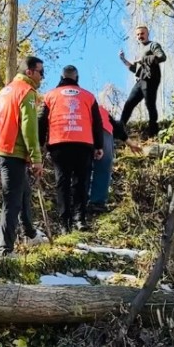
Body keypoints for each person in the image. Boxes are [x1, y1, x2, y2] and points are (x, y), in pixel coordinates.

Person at [0, 56, 47, 258]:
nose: (43, 77)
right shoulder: (27, 92)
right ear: (30, 72)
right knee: (12, 201)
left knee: (23, 194)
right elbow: (29, 128)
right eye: (41, 72)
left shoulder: (5, 91)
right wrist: (36, 158)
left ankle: (30, 234)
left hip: (0, 149)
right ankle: (5, 250)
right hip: (13, 151)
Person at [39, 65, 104, 232]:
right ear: (77, 77)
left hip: (59, 143)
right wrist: (99, 145)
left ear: (61, 77)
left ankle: (64, 223)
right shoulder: (88, 96)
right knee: (81, 182)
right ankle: (80, 219)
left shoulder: (50, 95)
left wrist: (39, 143)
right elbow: (97, 123)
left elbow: (41, 120)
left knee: (62, 182)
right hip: (83, 144)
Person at [89, 102, 139, 214]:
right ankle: (97, 203)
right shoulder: (101, 109)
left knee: (82, 168)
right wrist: (131, 143)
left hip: (80, 130)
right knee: (103, 166)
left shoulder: (81, 104)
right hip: (103, 130)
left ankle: (80, 201)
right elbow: (117, 129)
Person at [118, 25, 167, 138]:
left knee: (150, 105)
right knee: (129, 104)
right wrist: (123, 60)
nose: (140, 36)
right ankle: (119, 128)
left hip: (150, 80)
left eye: (142, 33)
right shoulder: (140, 51)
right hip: (140, 80)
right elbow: (135, 69)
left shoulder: (153, 45)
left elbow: (162, 57)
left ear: (147, 34)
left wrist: (144, 59)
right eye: (138, 34)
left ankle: (153, 134)